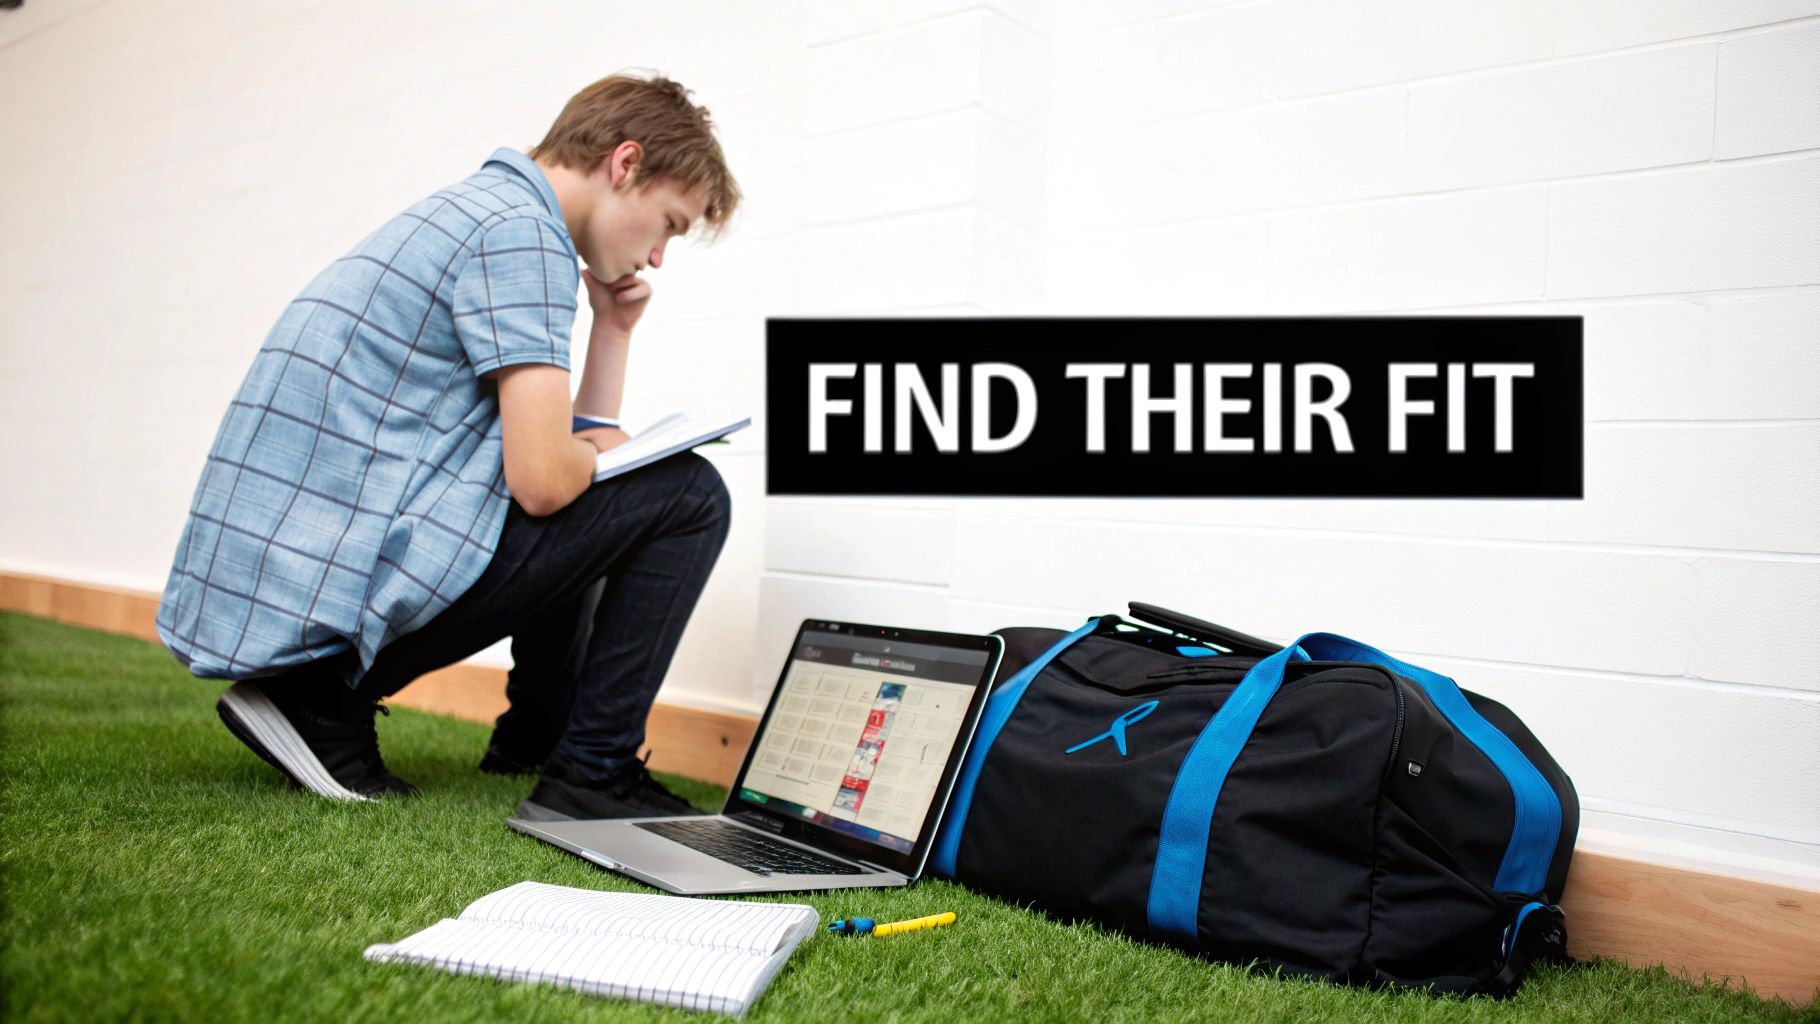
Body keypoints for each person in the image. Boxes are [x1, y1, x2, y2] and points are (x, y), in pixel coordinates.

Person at [153, 71, 742, 820]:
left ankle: (537, 736)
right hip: (322, 606)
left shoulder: (487, 211)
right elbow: (545, 484)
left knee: (615, 486)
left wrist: (613, 332)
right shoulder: (522, 236)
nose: (658, 255)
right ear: (624, 164)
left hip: (293, 581)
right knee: (692, 495)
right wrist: (598, 458)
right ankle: (586, 771)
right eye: (669, 223)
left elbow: (568, 458)